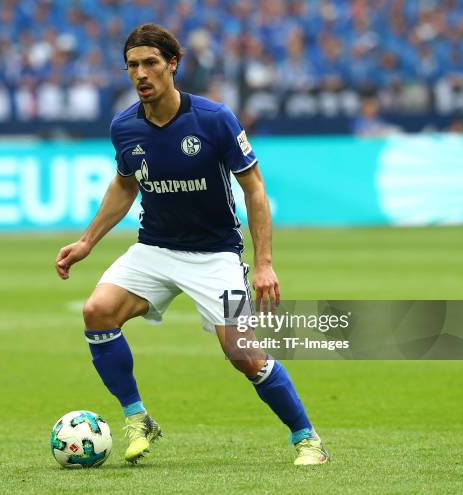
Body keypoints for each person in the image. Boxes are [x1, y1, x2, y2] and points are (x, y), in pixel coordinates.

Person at [55, 23, 328, 466]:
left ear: (172, 65)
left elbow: (254, 189)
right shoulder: (124, 127)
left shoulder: (214, 119)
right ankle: (138, 418)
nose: (141, 74)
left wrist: (264, 264)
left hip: (217, 255)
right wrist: (88, 241)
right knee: (96, 312)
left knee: (242, 352)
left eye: (150, 63)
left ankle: (307, 438)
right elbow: (125, 185)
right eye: (132, 66)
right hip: (154, 249)